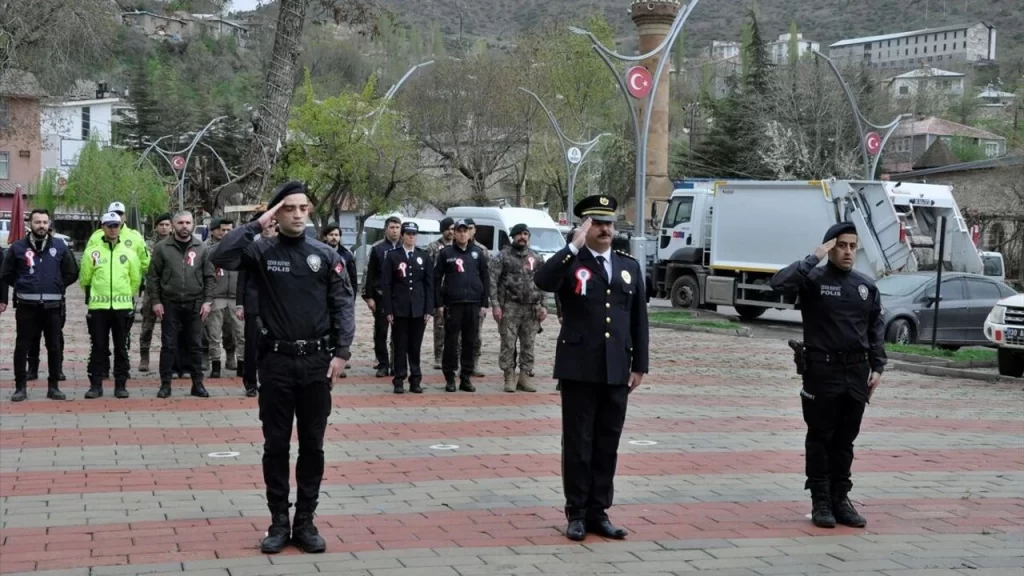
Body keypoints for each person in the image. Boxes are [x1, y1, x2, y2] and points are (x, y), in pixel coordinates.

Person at [211, 180, 355, 555]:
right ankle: (278, 521)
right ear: (277, 212)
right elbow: (221, 256)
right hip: (275, 362)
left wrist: (341, 353)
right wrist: (259, 223)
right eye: (288, 208)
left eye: (302, 208)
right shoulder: (261, 250)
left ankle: (305, 521)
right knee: (275, 445)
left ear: (309, 211)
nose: (297, 214)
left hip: (316, 364)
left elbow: (342, 304)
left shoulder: (325, 254)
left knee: (312, 445)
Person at [533, 195, 649, 542]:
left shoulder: (629, 266)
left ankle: (600, 511)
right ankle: (577, 512)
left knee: (607, 442)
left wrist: (639, 365)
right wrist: (572, 247)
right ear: (585, 226)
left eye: (609, 223)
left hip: (617, 368)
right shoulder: (571, 262)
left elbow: (638, 320)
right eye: (597, 223)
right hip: (579, 366)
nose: (605, 229)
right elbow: (543, 280)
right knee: (579, 443)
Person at [769, 221, 886, 530]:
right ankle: (820, 499)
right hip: (822, 371)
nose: (847, 252)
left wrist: (878, 366)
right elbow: (778, 283)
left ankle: (840, 498)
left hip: (856, 372)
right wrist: (813, 257)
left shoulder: (865, 286)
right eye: (841, 245)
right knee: (821, 437)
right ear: (830, 247)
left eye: (852, 246)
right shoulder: (813, 279)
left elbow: (875, 327)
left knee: (846, 439)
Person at [0, 209, 79, 401]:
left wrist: (57, 285)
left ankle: (54, 387)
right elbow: (6, 273)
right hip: (27, 306)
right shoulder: (17, 247)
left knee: (54, 346)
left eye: (45, 222)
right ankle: (20, 388)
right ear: (30, 223)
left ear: (49, 224)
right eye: (37, 222)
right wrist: (22, 286)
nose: (41, 226)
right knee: (22, 346)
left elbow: (72, 272)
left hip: (52, 306)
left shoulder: (60, 246)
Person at [147, 211, 215, 399]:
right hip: (170, 303)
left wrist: (207, 302)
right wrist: (156, 301)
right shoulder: (162, 248)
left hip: (195, 304)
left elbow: (209, 277)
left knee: (195, 345)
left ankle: (198, 384)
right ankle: (165, 384)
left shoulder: (202, 248)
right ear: (174, 224)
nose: (184, 226)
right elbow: (152, 277)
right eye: (180, 223)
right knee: (168, 345)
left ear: (193, 225)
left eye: (188, 222)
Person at [83, 201, 150, 378]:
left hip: (123, 299)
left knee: (122, 342)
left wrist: (128, 291)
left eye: (120, 214)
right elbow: (86, 274)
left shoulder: (135, 237)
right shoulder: (95, 238)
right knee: (98, 342)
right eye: (113, 215)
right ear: (104, 224)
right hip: (99, 302)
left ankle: (122, 374)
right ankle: (100, 372)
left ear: (124, 217)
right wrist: (93, 292)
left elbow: (141, 266)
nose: (115, 222)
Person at [490, 223, 547, 393]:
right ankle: (509, 376)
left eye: (525, 234)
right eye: (519, 234)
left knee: (528, 344)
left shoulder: (536, 257)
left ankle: (524, 376)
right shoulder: (503, 256)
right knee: (508, 343)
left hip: (531, 308)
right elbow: (492, 281)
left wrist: (543, 305)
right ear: (512, 237)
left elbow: (543, 281)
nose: (522, 237)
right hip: (509, 307)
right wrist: (495, 305)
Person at [435, 219, 489, 393]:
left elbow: (485, 278)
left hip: (473, 304)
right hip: (453, 304)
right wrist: (440, 304)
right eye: (459, 231)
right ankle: (449, 377)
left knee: (470, 341)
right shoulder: (446, 253)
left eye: (465, 231)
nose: (462, 234)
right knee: (451, 342)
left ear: (470, 233)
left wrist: (484, 303)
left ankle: (465, 377)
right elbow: (437, 279)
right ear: (454, 233)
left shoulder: (478, 253)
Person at [381, 222, 433, 394]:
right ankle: (399, 379)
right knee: (400, 345)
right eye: (408, 233)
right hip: (399, 308)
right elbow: (386, 285)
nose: (411, 237)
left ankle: (416, 379)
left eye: (414, 234)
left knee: (415, 346)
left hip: (418, 308)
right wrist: (388, 310)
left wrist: (428, 309)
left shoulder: (423, 256)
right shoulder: (393, 256)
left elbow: (428, 285)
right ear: (402, 235)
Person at [235, 213, 278, 397]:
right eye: (268, 225)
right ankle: (251, 382)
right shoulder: (251, 247)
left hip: (276, 304)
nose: (271, 228)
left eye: (274, 225)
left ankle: (271, 380)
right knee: (252, 344)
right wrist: (239, 304)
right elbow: (242, 278)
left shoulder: (282, 248)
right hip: (253, 302)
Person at [205, 218, 244, 379]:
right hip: (217, 296)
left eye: (229, 230)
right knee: (214, 333)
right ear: (216, 231)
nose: (226, 233)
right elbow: (207, 275)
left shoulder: (241, 250)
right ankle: (215, 364)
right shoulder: (211, 250)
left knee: (240, 333)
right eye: (223, 230)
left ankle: (240, 363)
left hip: (236, 297)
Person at [363, 216, 401, 377]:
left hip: (400, 297)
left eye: (397, 227)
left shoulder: (405, 246)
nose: (395, 230)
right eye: (392, 227)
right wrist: (369, 297)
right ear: (386, 229)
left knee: (399, 333)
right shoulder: (378, 248)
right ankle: (383, 363)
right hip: (381, 296)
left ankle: (397, 363)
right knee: (381, 331)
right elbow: (370, 273)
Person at [139, 213, 173, 373]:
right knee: (147, 325)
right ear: (156, 227)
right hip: (152, 289)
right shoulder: (148, 244)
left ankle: (171, 358)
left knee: (171, 326)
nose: (164, 227)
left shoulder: (176, 242)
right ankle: (144, 356)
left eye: (167, 225)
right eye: (161, 225)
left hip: (170, 289)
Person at [425, 217, 454, 369]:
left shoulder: (459, 246)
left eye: (452, 228)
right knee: (440, 327)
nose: (450, 231)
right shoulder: (433, 248)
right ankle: (438, 356)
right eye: (448, 228)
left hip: (454, 294)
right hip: (439, 294)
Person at [467, 219, 489, 376]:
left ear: (474, 230)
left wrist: (485, 301)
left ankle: (474, 363)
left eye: (470, 228)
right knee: (457, 336)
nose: (467, 231)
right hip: (457, 300)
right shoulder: (449, 250)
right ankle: (459, 364)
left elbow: (487, 276)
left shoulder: (481, 250)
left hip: (476, 300)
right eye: (464, 229)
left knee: (476, 335)